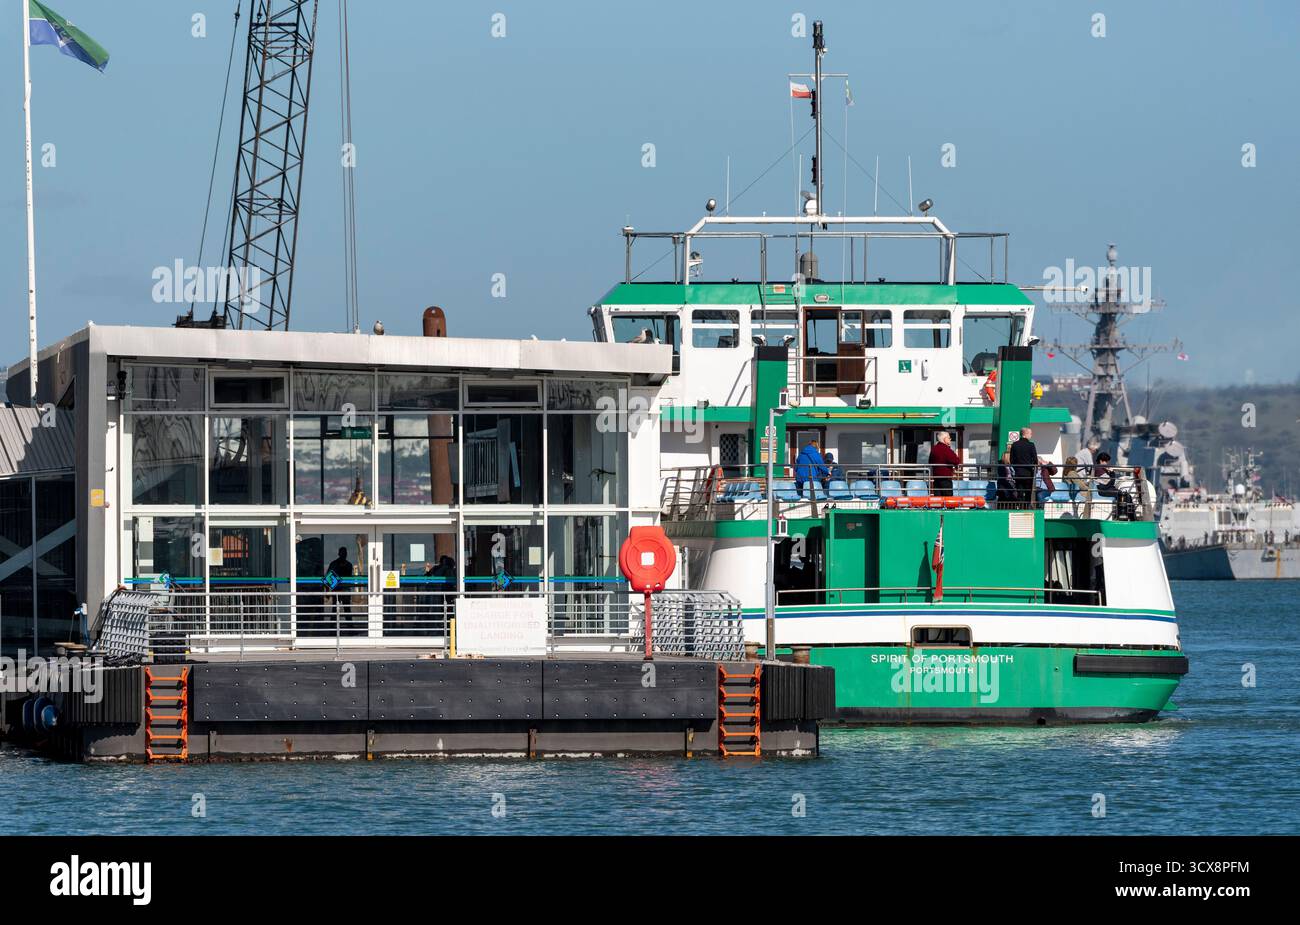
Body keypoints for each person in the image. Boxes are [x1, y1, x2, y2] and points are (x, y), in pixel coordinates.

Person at [1009, 426, 1040, 506]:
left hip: (1018, 472)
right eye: (1030, 433)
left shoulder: (1014, 445)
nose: (1031, 435)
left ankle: (1020, 507)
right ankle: (1026, 507)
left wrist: (1016, 467)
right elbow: (1035, 459)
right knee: (1028, 492)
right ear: (1025, 434)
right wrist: (1034, 468)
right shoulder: (1031, 445)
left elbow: (1011, 460)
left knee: (1019, 491)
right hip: (1028, 473)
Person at [927, 430, 961, 496]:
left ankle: (938, 506)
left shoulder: (934, 449)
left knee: (938, 499)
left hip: (936, 477)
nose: (950, 439)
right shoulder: (946, 449)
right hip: (945, 478)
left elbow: (930, 461)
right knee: (948, 498)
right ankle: (949, 507)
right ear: (945, 439)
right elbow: (956, 460)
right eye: (949, 438)